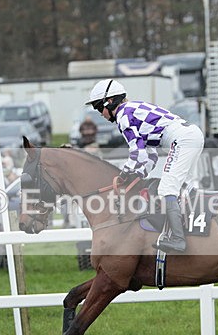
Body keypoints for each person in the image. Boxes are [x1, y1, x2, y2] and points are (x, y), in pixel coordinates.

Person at [85, 79, 204, 253]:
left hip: (183, 140)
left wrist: (125, 173)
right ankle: (194, 229)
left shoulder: (123, 116)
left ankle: (178, 239)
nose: (100, 113)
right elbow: (151, 156)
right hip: (192, 135)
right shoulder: (131, 109)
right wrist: (140, 173)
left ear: (109, 102)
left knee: (166, 190)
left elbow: (137, 152)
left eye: (98, 107)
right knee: (183, 188)